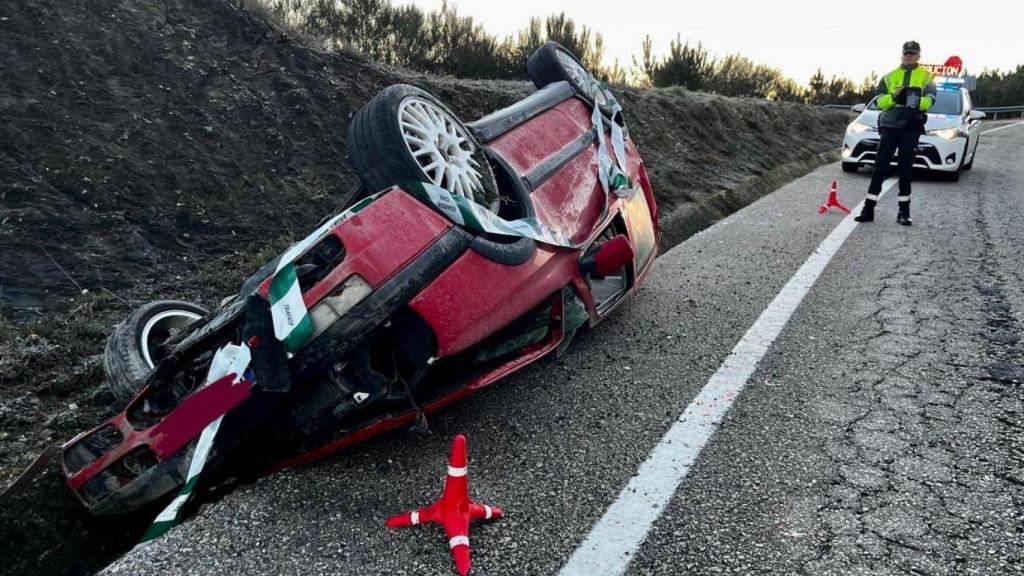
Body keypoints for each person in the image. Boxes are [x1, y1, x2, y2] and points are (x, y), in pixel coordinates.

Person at [854, 40, 937, 226]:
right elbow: (878, 102)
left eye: (913, 54)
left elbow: (930, 101)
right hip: (890, 126)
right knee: (880, 167)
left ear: (918, 56)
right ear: (902, 55)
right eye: (907, 53)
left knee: (905, 170)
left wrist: (910, 98)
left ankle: (904, 212)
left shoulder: (927, 77)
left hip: (910, 128)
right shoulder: (890, 76)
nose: (909, 56)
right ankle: (868, 209)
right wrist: (894, 97)